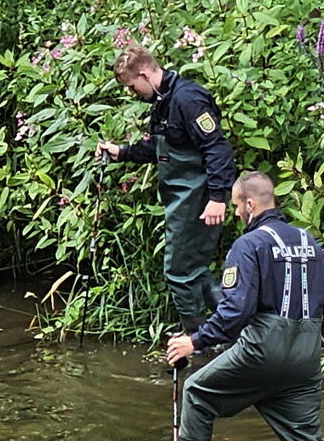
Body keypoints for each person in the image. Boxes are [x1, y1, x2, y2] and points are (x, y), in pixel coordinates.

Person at [165, 172, 324, 441]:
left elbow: (235, 312)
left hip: (263, 350)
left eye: (236, 206)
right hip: (307, 356)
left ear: (249, 204)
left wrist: (195, 342)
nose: (235, 213)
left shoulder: (248, 245)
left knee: (196, 393)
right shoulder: (310, 241)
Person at [97, 45, 237, 333]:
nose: (133, 93)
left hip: (196, 198)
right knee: (194, 270)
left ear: (145, 75)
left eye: (133, 87)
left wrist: (217, 198)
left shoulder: (188, 99)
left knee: (178, 271)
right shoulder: (163, 102)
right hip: (180, 199)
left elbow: (217, 147)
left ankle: (198, 336)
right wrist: (121, 153)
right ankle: (231, 329)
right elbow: (157, 147)